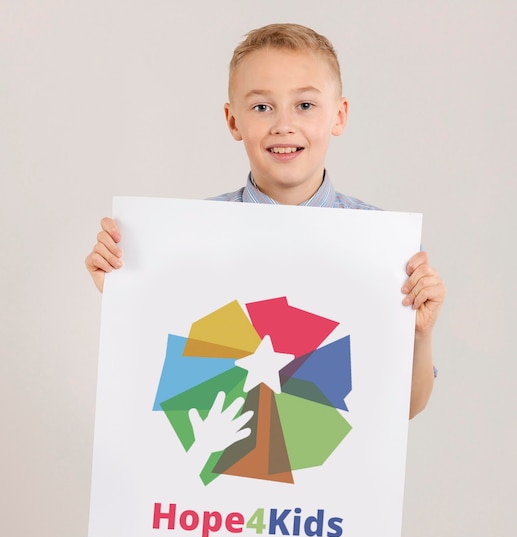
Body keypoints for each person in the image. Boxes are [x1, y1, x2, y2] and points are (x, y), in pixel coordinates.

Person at [85, 23, 446, 419]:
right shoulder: (192, 235)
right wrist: (128, 293)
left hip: (329, 473)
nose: (283, 125)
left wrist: (420, 332)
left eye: (305, 105)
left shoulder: (384, 246)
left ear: (338, 116)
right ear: (233, 121)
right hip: (223, 449)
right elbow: (166, 380)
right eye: (262, 107)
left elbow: (405, 409)